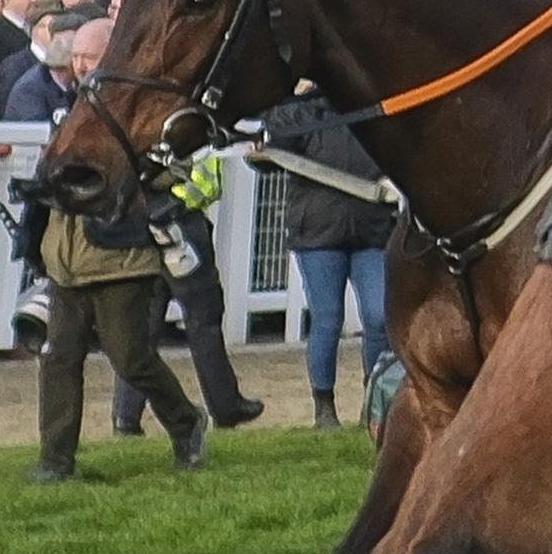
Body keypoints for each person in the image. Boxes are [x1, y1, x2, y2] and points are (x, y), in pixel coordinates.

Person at [29, 148, 208, 482]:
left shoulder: (136, 114)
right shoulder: (71, 121)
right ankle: (55, 461)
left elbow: (175, 168)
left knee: (130, 359)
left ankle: (186, 422)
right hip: (65, 264)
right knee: (58, 359)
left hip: (123, 263)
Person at [259, 93, 395, 428]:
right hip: (318, 233)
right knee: (327, 320)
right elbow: (277, 143)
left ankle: (373, 402)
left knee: (378, 318)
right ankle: (324, 407)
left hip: (372, 231)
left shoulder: (372, 106)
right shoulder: (302, 109)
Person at [110, 145, 261, 436]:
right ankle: (226, 407)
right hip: (183, 225)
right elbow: (207, 183)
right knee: (203, 320)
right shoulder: (187, 124)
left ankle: (125, 418)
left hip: (141, 227)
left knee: (142, 329)